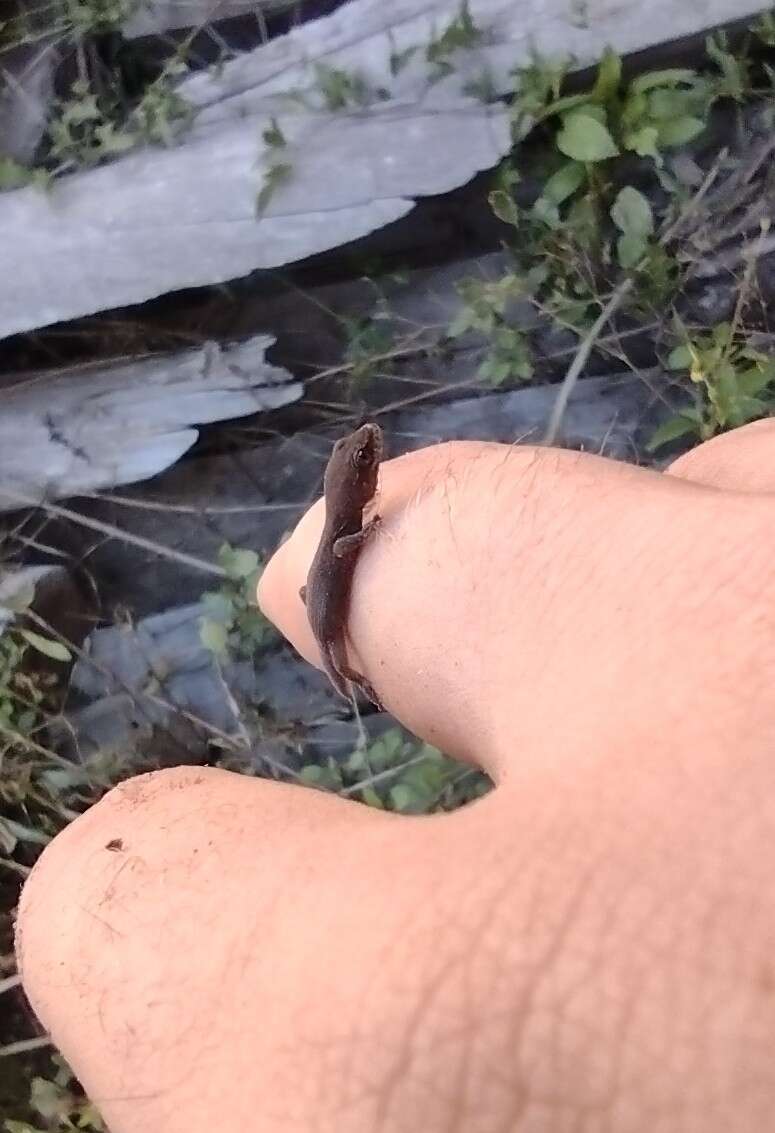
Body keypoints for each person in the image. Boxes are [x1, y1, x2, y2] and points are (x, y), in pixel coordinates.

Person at [15, 420, 775, 1133]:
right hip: (328, 604)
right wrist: (363, 543)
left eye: (364, 453)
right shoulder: (348, 519)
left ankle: (349, 675)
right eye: (364, 456)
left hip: (330, 604)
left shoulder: (353, 503)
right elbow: (339, 547)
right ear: (362, 476)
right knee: (338, 642)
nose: (372, 451)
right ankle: (348, 675)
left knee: (342, 649)